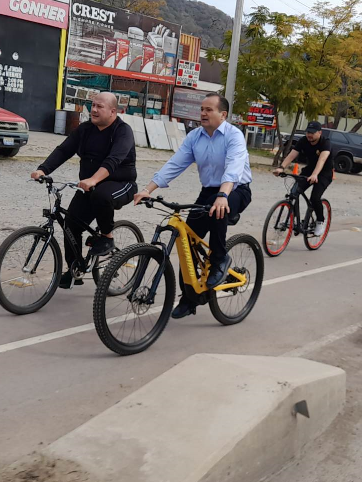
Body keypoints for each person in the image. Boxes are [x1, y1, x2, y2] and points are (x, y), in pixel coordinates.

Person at [134, 93, 253, 319]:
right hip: (209, 191)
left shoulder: (234, 136)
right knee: (186, 241)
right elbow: (175, 164)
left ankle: (219, 259)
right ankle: (189, 299)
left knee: (217, 209)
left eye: (209, 109)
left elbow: (234, 168)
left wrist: (223, 196)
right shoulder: (195, 137)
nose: (203, 113)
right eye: (202, 109)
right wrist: (147, 190)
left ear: (223, 114)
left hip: (236, 189)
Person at [31, 92, 137, 289]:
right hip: (91, 185)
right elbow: (64, 150)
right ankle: (74, 269)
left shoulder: (123, 131)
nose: (94, 110)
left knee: (101, 195)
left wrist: (94, 179)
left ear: (113, 111)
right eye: (93, 105)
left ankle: (107, 236)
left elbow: (113, 160)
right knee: (71, 224)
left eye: (100, 107)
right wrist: (43, 169)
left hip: (122, 184)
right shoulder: (85, 129)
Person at [273, 121, 334, 236]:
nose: (309, 135)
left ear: (319, 132)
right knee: (293, 192)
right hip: (309, 170)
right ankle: (294, 221)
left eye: (312, 133)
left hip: (324, 173)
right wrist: (281, 168)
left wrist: (315, 175)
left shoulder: (325, 143)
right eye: (307, 132)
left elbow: (322, 160)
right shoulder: (303, 141)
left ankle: (320, 221)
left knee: (315, 198)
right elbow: (292, 154)